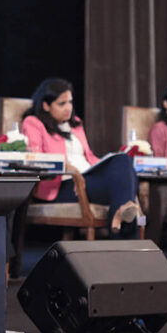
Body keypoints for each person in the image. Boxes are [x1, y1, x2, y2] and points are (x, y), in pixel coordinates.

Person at [20, 77, 140, 235]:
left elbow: (89, 156)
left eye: (70, 102)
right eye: (62, 103)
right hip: (64, 185)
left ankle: (121, 213)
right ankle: (122, 225)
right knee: (125, 181)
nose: (68, 108)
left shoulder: (75, 123)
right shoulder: (33, 123)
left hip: (87, 178)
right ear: (46, 105)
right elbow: (35, 157)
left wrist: (107, 163)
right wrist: (67, 167)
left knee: (124, 160)